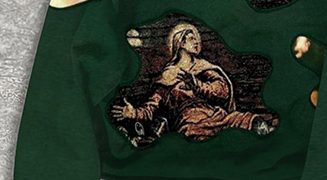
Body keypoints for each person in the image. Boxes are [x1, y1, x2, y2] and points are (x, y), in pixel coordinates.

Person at [110, 23, 276, 145]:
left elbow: (223, 90)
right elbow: (151, 108)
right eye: (191, 39)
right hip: (191, 122)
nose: (197, 42)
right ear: (180, 43)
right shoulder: (168, 76)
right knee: (201, 140)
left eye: (197, 39)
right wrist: (134, 113)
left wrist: (197, 85)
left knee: (245, 120)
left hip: (217, 115)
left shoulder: (203, 67)